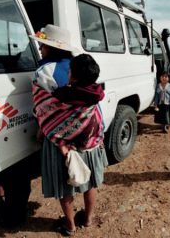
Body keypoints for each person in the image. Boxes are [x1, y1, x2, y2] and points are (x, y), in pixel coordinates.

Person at [32, 53, 108, 236]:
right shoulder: (97, 93)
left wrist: (50, 133)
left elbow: (47, 116)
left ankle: (70, 226)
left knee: (66, 188)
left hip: (65, 150)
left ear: (73, 75)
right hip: (91, 145)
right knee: (90, 184)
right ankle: (88, 219)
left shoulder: (62, 95)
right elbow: (97, 120)